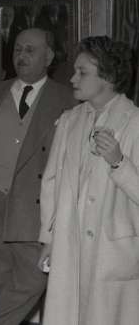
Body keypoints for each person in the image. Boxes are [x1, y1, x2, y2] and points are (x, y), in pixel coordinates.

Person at [0, 28, 75, 325]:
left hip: (33, 208)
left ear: (49, 56)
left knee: (36, 275)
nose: (21, 56)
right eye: (18, 50)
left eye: (30, 50)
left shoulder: (68, 98)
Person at [38, 36, 139, 325]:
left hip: (113, 252)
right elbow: (52, 182)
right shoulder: (69, 120)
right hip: (69, 247)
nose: (72, 78)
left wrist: (118, 161)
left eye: (82, 72)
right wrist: (48, 239)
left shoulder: (134, 123)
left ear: (108, 77)